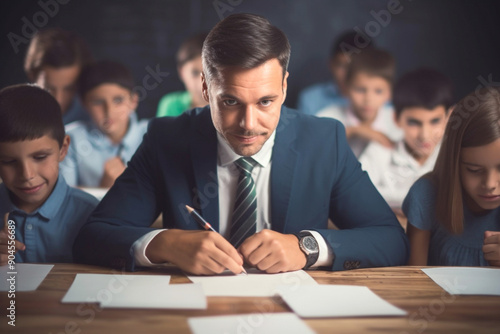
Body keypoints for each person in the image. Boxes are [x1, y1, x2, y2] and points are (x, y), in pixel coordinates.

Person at [73, 13, 408, 274]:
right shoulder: (166, 139)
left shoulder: (325, 141)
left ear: (285, 87)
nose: (249, 124)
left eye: (265, 101)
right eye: (230, 102)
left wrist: (308, 247)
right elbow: (94, 236)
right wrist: (166, 243)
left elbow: (391, 240)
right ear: (205, 89)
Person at [0, 84, 98, 264]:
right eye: (9, 161)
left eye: (40, 157)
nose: (27, 175)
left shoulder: (91, 214)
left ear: (63, 148)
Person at [404, 87, 500, 267]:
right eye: (474, 170)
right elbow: (412, 278)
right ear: (454, 163)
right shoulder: (426, 195)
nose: (490, 184)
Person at [359, 68, 453, 218]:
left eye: (435, 121)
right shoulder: (379, 151)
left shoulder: (456, 154)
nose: (425, 135)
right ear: (396, 118)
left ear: (449, 117)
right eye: (414, 123)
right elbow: (357, 195)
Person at [60, 60, 149, 188]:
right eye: (98, 102)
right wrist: (103, 189)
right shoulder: (71, 139)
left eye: (118, 100)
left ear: (133, 101)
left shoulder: (152, 135)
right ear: (84, 103)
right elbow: (64, 199)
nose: (109, 112)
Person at [317, 48, 402, 157]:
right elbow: (314, 150)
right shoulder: (326, 117)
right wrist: (353, 131)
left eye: (378, 91)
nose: (368, 99)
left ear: (390, 93)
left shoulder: (398, 122)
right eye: (360, 90)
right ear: (346, 88)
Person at [24, 28, 93, 125]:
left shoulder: (94, 118)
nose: (58, 100)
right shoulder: (7, 116)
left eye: (69, 89)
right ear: (32, 75)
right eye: (49, 88)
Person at [297, 31, 374, 116]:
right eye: (342, 66)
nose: (349, 74)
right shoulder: (311, 98)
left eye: (356, 67)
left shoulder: (381, 101)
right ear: (331, 64)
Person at [156, 33, 208, 117]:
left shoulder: (229, 106)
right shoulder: (171, 105)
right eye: (195, 73)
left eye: (209, 72)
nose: (202, 80)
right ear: (181, 72)